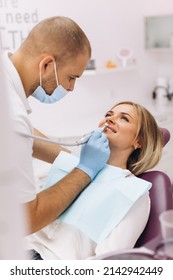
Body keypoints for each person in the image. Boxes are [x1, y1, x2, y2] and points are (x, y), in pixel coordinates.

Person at [1, 17, 110, 238]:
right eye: (71, 77)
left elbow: (23, 134)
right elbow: (25, 220)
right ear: (47, 64)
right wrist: (85, 171)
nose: (71, 88)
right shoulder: (12, 114)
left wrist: (71, 159)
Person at [25, 101, 163, 260]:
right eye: (108, 115)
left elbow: (108, 261)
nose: (109, 120)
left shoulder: (134, 194)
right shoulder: (76, 167)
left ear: (139, 141)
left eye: (124, 118)